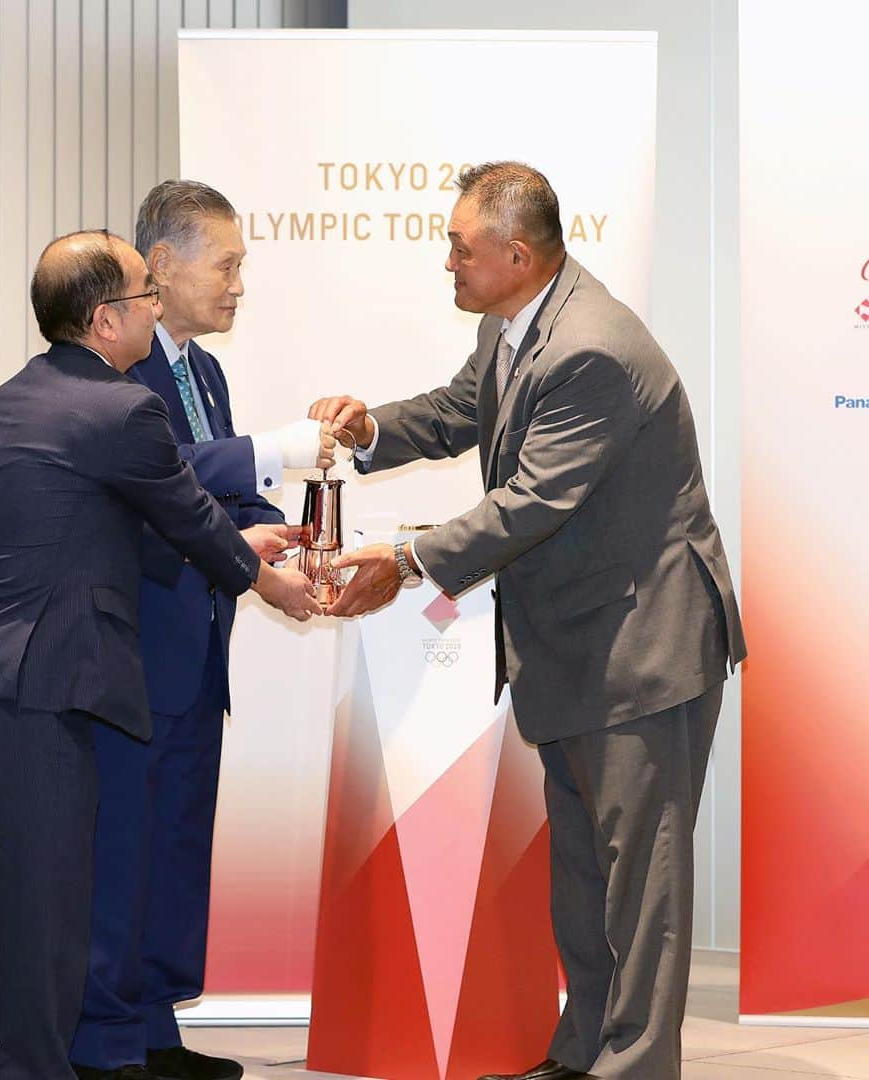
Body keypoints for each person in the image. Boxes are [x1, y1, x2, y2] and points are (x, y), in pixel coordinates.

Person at [309, 162, 746, 1080]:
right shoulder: (512, 322)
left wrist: (403, 559)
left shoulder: (592, 348)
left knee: (641, 883)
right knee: (584, 870)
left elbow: (531, 502)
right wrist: (368, 429)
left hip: (643, 646)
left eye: (460, 250)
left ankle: (633, 1067)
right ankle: (582, 1053)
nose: (448, 265)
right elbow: (463, 410)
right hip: (580, 642)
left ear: (516, 252)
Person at [0, 230, 320, 1080]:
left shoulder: (15, 395)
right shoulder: (124, 407)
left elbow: (127, 517)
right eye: (144, 295)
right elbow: (189, 517)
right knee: (49, 927)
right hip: (35, 694)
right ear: (105, 320)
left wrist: (239, 545)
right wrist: (267, 580)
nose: (157, 306)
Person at [68, 181, 333, 1080]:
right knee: (123, 850)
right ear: (164, 266)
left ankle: (152, 1032)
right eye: (226, 264)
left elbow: (218, 503)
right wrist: (272, 449)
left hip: (195, 655)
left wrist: (289, 542)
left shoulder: (204, 371)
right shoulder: (115, 366)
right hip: (133, 651)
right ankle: (103, 1045)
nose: (238, 284)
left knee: (175, 846)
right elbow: (159, 475)